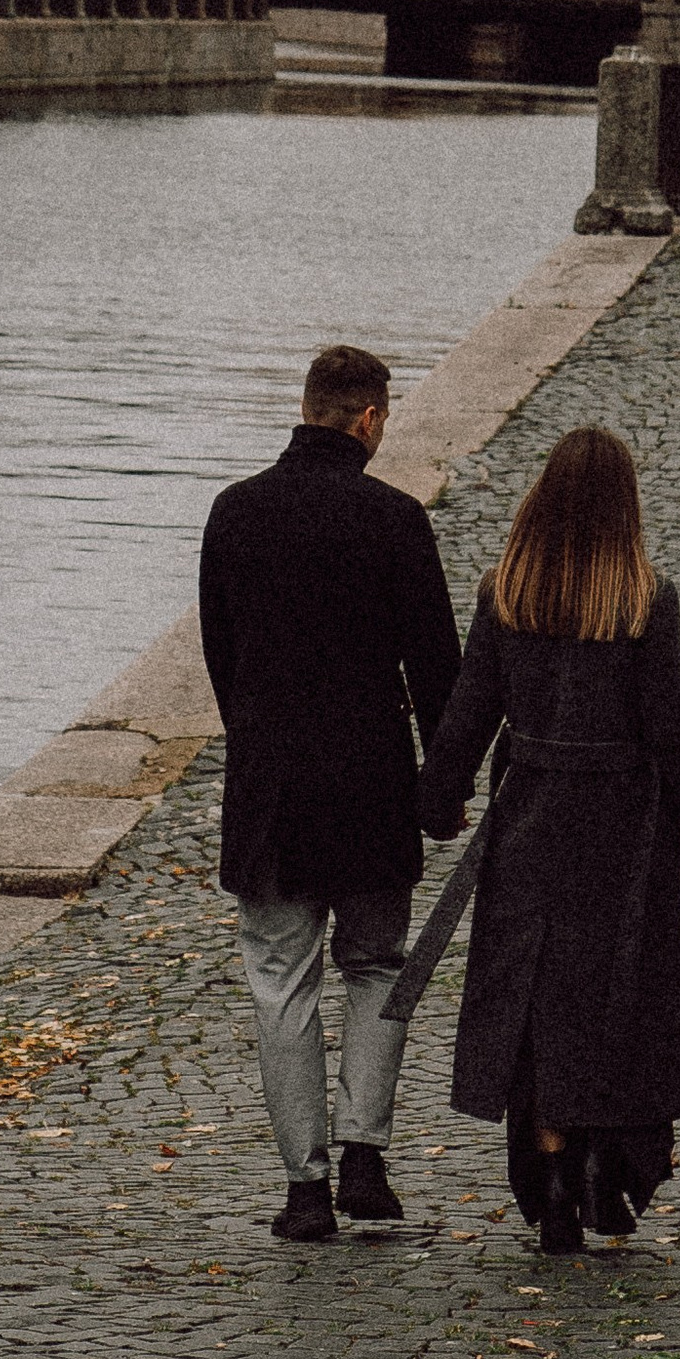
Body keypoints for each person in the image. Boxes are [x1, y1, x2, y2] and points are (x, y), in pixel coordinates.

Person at [407, 427, 680, 1255]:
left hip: (530, 824)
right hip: (623, 834)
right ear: (626, 506)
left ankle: (551, 1173)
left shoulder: (504, 594)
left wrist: (438, 801)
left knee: (538, 1000)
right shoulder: (643, 600)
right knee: (614, 995)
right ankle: (598, 1163)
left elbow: (468, 717)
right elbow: (673, 724)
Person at [200, 344, 463, 1244]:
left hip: (272, 789)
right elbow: (438, 670)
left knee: (282, 981)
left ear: (307, 407)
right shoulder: (395, 519)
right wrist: (446, 785)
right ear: (370, 419)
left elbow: (221, 659)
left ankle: (304, 1189)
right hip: (372, 782)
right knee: (377, 966)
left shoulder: (233, 514)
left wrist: (262, 744)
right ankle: (365, 1154)